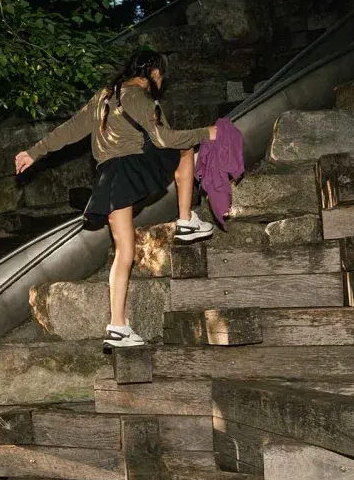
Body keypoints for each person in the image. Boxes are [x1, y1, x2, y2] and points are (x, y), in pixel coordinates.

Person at [14, 48, 218, 349]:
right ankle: (186, 220)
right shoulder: (141, 99)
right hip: (131, 167)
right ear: (154, 73)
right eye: (160, 75)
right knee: (185, 147)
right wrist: (208, 132)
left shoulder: (103, 96)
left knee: (124, 251)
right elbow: (164, 139)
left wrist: (35, 151)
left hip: (108, 179)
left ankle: (118, 326)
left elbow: (71, 129)